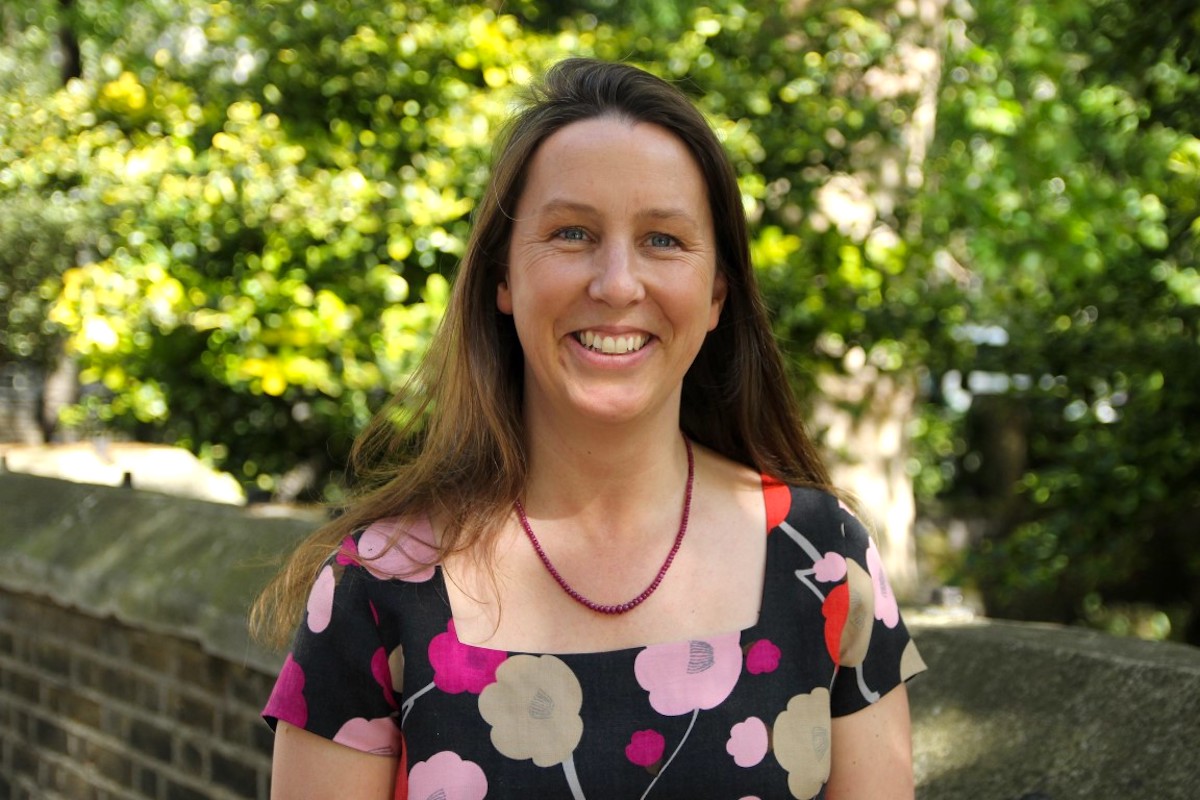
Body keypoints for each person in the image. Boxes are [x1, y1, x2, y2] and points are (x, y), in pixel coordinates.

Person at [255, 57, 926, 799]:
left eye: (663, 240)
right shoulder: (378, 587)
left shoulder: (823, 561)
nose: (616, 284)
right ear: (503, 279)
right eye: (573, 233)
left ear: (715, 295)